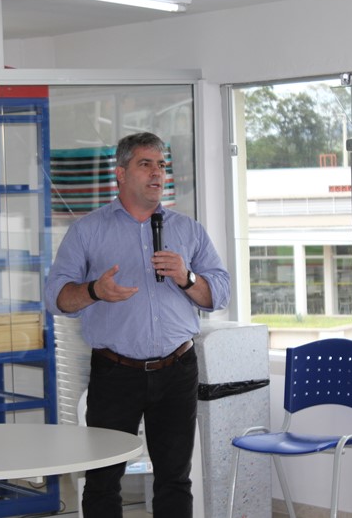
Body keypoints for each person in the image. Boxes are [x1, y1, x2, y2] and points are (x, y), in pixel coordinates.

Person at [44, 132, 230, 518]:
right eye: (145, 164)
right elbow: (56, 298)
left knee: (174, 479)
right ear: (121, 173)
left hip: (177, 370)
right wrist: (94, 290)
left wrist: (187, 277)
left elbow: (220, 294)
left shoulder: (189, 230)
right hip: (116, 373)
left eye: (161, 165)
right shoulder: (88, 230)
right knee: (102, 481)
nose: (157, 173)